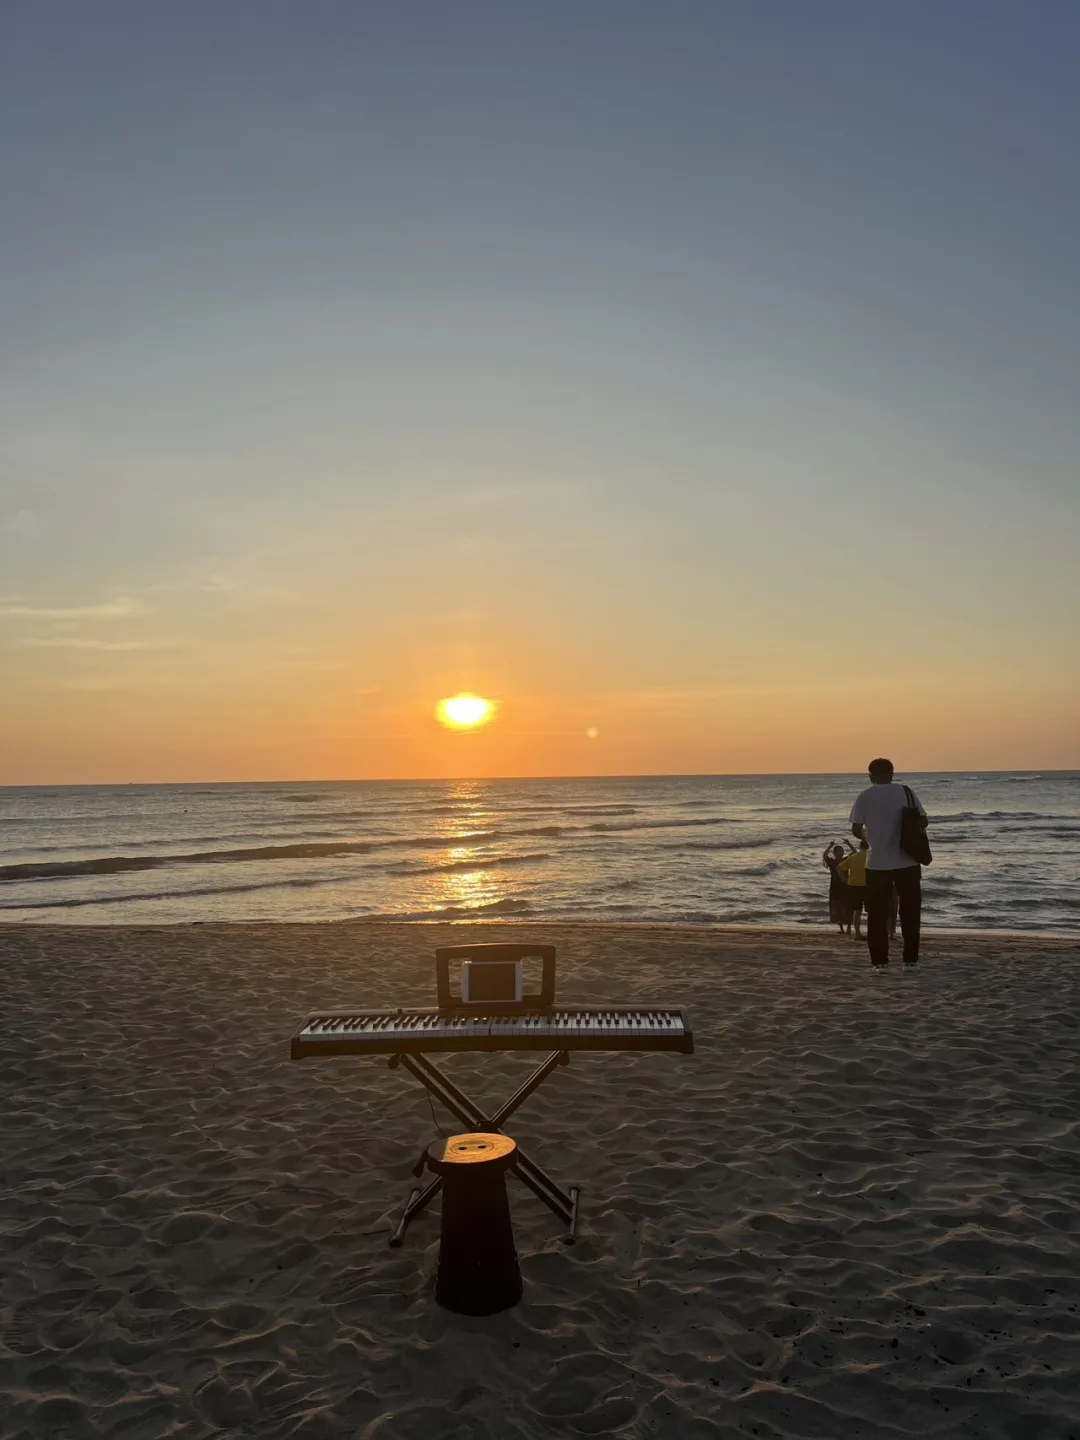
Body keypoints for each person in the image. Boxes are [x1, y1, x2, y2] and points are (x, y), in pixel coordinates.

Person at [849, 758, 928, 968]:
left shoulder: (864, 796)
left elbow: (856, 829)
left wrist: (868, 836)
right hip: (908, 860)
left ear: (870, 776)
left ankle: (879, 963)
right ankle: (910, 961)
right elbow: (923, 820)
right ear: (892, 773)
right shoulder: (906, 792)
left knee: (877, 915)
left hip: (877, 863)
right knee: (910, 912)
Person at [837, 838, 869, 940]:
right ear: (869, 846)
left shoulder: (854, 857)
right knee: (872, 910)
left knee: (857, 910)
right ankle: (872, 932)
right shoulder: (871, 856)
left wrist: (844, 880)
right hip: (868, 885)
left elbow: (839, 868)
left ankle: (857, 933)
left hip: (853, 885)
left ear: (860, 847)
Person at [822, 841, 853, 934]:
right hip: (835, 886)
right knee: (837, 906)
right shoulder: (832, 861)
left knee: (848, 906)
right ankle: (841, 928)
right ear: (834, 853)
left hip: (846, 885)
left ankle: (848, 927)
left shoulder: (846, 860)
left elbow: (854, 852)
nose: (840, 853)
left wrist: (848, 844)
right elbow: (824, 855)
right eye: (838, 851)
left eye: (841, 851)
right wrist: (830, 846)